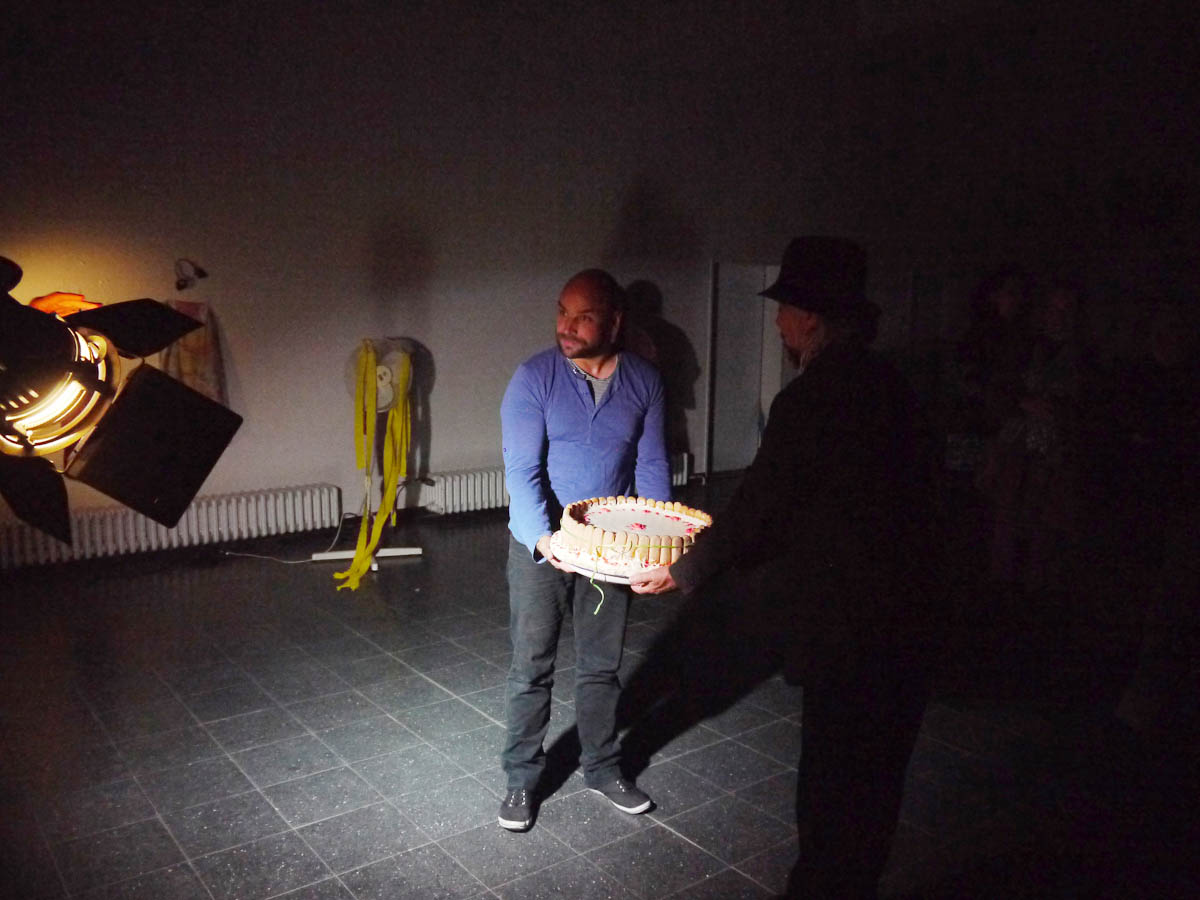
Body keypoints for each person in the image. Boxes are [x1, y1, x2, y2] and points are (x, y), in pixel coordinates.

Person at [631, 237, 944, 898]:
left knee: (832, 783)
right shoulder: (898, 386)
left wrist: (684, 569)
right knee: (879, 781)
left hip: (847, 623)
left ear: (811, 318)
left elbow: (759, 509)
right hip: (913, 615)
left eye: (784, 310)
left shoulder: (809, 401)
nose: (776, 322)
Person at [498, 268, 671, 831]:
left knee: (601, 665)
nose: (567, 327)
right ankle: (522, 779)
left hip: (609, 546)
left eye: (584, 316)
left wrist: (657, 547)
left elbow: (651, 466)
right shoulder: (534, 378)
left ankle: (601, 766)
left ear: (614, 322)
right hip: (543, 545)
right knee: (532, 666)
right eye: (562, 312)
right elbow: (522, 473)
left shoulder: (645, 381)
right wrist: (544, 540)